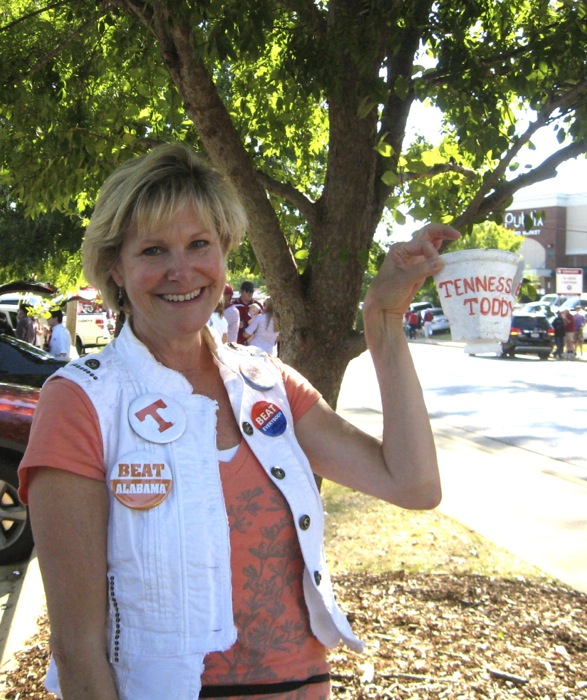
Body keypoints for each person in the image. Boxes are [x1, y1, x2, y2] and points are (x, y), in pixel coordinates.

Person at [18, 143, 460, 700]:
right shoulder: (81, 401)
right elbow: (78, 649)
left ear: (224, 252)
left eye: (199, 243)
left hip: (303, 686)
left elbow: (413, 484)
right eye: (153, 250)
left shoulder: (267, 382)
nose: (182, 270)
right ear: (115, 267)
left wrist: (384, 321)